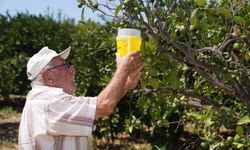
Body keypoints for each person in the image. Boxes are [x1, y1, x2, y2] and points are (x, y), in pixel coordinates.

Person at [18, 46, 144, 150]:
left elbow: (96, 111)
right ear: (49, 77)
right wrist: (124, 67)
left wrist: (126, 85)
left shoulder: (42, 101)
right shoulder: (49, 103)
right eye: (65, 65)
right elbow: (103, 106)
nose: (72, 70)